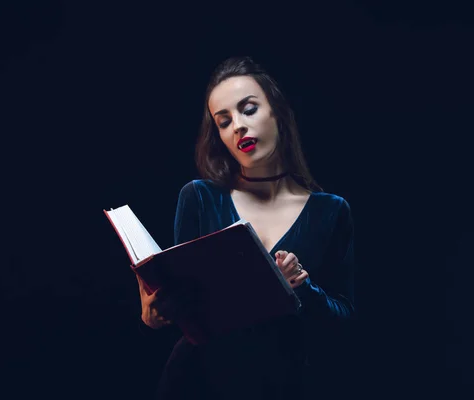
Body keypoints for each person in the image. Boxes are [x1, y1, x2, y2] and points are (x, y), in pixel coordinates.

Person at [136, 56, 356, 400]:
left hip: (284, 386)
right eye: (223, 122)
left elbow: (344, 321)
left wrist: (304, 287)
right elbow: (187, 312)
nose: (237, 126)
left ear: (277, 112)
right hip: (196, 384)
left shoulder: (331, 211)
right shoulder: (199, 197)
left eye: (248, 109)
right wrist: (157, 310)